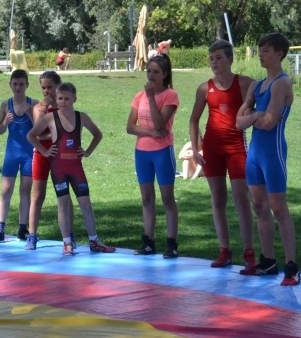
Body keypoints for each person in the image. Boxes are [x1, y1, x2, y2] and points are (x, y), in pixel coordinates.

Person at [236, 32, 299, 286]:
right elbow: (239, 122)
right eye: (260, 50)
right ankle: (268, 260)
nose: (260, 55)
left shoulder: (282, 83)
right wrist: (256, 115)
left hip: (272, 153)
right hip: (255, 155)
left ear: (279, 54)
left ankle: (292, 266)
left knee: (278, 208)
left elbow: (271, 122)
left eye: (265, 51)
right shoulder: (255, 85)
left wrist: (254, 115)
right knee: (259, 207)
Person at [188, 39, 256, 268]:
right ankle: (224, 250)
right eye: (211, 58)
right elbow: (194, 119)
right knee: (217, 198)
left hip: (236, 148)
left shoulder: (246, 84)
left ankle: (249, 252)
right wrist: (195, 147)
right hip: (212, 149)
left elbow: (264, 103)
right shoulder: (204, 88)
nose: (214, 62)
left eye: (218, 58)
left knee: (241, 199)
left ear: (230, 59)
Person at [28, 83, 115, 255]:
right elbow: (31, 135)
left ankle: (94, 240)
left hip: (76, 168)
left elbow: (98, 134)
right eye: (60, 98)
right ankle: (66, 242)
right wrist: (44, 151)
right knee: (63, 205)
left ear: (75, 99)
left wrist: (88, 151)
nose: (63, 102)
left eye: (67, 98)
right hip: (59, 169)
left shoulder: (81, 117)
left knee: (86, 204)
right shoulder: (50, 118)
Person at [126, 54, 180, 258]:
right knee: (147, 197)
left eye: (156, 72)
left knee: (167, 198)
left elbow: (160, 124)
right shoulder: (139, 96)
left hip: (162, 151)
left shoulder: (169, 95)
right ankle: (148, 241)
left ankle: (171, 243)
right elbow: (130, 127)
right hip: (142, 152)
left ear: (165, 74)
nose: (151, 75)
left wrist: (151, 98)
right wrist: (149, 133)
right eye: (149, 71)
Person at [26, 71, 74, 250]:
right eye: (43, 88)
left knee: (65, 196)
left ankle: (69, 234)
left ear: (58, 86)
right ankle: (32, 234)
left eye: (50, 87)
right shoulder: (38, 107)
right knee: (37, 195)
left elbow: (68, 129)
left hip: (61, 154)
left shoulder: (65, 106)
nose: (46, 91)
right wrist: (44, 149)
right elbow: (36, 132)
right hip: (42, 152)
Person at [0, 69, 35, 243]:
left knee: (25, 190)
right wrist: (4, 123)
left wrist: (31, 115)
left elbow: (39, 129)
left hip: (29, 153)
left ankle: (23, 229)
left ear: (27, 85)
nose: (18, 87)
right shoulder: (5, 105)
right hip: (12, 153)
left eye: (21, 84)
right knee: (6, 190)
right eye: (15, 84)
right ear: (10, 85)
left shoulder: (33, 104)